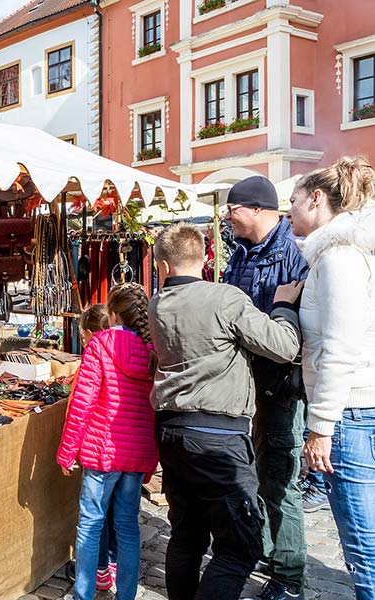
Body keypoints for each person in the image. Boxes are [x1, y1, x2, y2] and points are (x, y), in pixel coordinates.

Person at [148, 223, 303, 600]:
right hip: (217, 437)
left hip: (171, 431)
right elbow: (283, 345)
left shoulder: (157, 303)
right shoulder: (223, 298)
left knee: (187, 535)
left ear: (163, 268)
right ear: (204, 260)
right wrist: (283, 305)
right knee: (240, 546)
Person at [286, 156, 375, 600]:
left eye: (295, 201)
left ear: (317, 199)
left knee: (364, 545)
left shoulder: (338, 257)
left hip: (351, 411)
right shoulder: (339, 254)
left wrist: (321, 426)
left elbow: (340, 347)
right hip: (357, 404)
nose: (290, 211)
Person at [222, 176, 309, 600]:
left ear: (255, 209)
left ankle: (289, 580)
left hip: (281, 387)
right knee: (257, 476)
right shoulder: (241, 252)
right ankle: (268, 551)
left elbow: (292, 334)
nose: (227, 216)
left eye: (231, 208)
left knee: (279, 482)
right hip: (248, 384)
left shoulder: (292, 254)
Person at [57, 285, 157, 600]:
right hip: (136, 452)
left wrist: (66, 452)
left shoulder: (101, 344)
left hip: (103, 451)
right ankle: (125, 594)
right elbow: (157, 407)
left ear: (112, 313)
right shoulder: (152, 350)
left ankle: (83, 594)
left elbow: (82, 403)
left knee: (90, 524)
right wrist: (151, 459)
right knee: (127, 526)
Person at [65, 304, 118, 591]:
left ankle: (95, 575)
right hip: (122, 449)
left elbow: (80, 407)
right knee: (117, 514)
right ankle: (112, 565)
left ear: (87, 333)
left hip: (98, 447)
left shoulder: (94, 357)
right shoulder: (128, 351)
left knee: (93, 516)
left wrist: (67, 453)